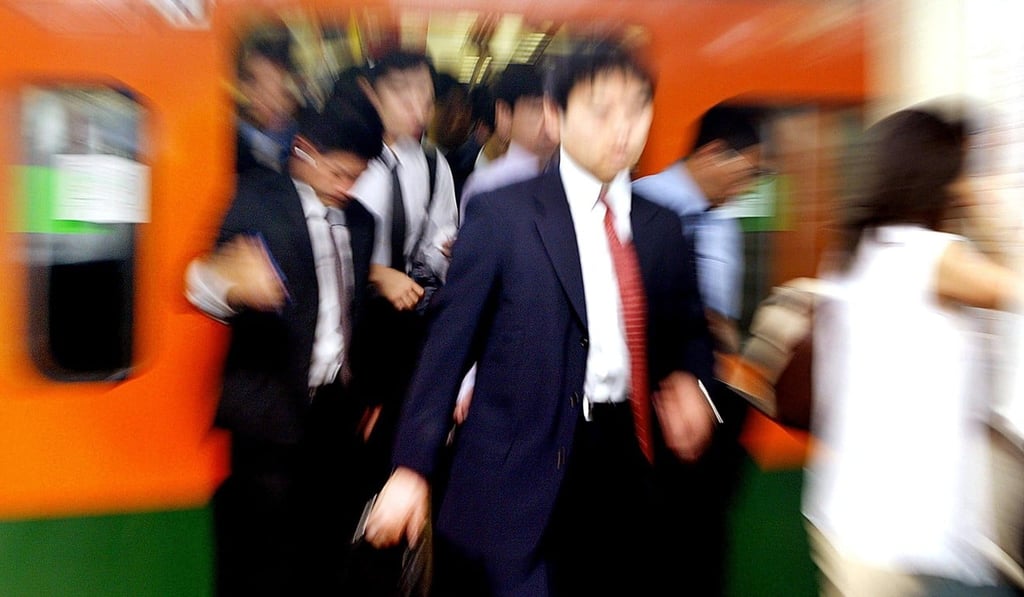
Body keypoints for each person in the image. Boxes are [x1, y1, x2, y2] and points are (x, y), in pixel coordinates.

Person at [363, 40, 718, 597]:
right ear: (556, 115)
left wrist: (688, 376)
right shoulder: (503, 215)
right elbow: (449, 345)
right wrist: (412, 466)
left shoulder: (661, 227)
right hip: (520, 467)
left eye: (637, 110)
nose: (622, 128)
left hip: (622, 459)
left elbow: (686, 327)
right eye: (602, 111)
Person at [803, 107, 1022, 597]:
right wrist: (984, 210)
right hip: (908, 541)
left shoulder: (858, 251)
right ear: (941, 173)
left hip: (852, 518)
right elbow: (1015, 287)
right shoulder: (935, 258)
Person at [185, 86, 384, 595]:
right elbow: (200, 282)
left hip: (334, 416)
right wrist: (227, 282)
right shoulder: (255, 197)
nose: (347, 187)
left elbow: (355, 314)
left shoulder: (362, 222)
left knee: (325, 553)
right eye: (340, 173)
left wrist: (364, 394)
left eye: (358, 177)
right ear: (305, 152)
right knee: (262, 561)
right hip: (267, 416)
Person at [632, 103, 763, 596]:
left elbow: (720, 319)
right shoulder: (635, 206)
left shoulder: (723, 226)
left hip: (713, 399)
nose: (746, 187)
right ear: (712, 155)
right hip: (650, 397)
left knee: (704, 535)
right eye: (746, 172)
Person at [459, 62, 559, 219]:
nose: (548, 120)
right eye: (536, 108)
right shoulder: (488, 187)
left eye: (555, 109)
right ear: (504, 113)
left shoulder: (572, 181)